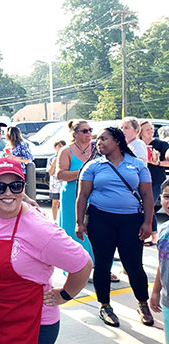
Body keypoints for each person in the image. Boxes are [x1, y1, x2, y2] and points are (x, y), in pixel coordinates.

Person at [0, 157, 92, 344]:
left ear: (23, 188)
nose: (8, 193)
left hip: (34, 324)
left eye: (16, 186)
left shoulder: (41, 230)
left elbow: (83, 264)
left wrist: (65, 294)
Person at [76, 127, 155, 328]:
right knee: (102, 264)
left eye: (104, 139)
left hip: (131, 221)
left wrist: (147, 222)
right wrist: (79, 222)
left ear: (117, 141)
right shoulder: (93, 166)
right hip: (100, 219)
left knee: (133, 265)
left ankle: (142, 303)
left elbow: (147, 195)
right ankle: (105, 306)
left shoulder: (137, 165)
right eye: (98, 139)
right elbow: (82, 196)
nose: (98, 142)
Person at [55, 119, 96, 275]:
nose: (89, 134)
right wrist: (83, 172)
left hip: (94, 195)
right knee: (73, 231)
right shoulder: (66, 150)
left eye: (90, 130)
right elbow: (60, 174)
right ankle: (75, 267)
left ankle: (97, 266)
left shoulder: (96, 149)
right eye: (85, 131)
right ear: (75, 134)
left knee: (95, 230)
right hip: (72, 196)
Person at [140, 120, 169, 246]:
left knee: (149, 206)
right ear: (140, 131)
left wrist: (156, 162)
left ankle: (154, 236)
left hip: (156, 180)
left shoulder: (161, 144)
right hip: (140, 180)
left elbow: (168, 162)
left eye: (152, 129)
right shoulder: (137, 145)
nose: (151, 131)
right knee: (142, 207)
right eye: (148, 129)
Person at [149, 178, 169, 344]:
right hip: (167, 299)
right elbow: (162, 263)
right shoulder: (163, 229)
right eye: (166, 196)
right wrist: (156, 291)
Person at [47, 140, 66, 221]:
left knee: (64, 203)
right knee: (55, 202)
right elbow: (50, 173)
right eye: (59, 146)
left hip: (64, 183)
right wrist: (54, 163)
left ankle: (63, 220)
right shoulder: (51, 158)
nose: (61, 148)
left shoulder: (66, 157)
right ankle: (54, 220)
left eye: (62, 146)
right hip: (55, 184)